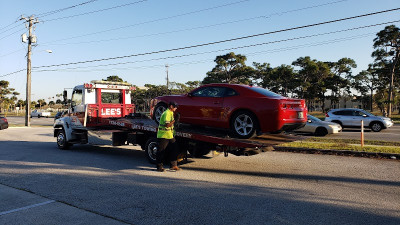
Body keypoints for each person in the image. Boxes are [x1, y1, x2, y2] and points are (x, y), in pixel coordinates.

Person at [156, 101, 180, 172]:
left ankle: (173, 165)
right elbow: (167, 125)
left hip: (169, 134)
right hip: (163, 135)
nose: (176, 108)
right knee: (161, 151)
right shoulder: (167, 113)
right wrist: (175, 120)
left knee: (174, 148)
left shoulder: (171, 113)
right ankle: (159, 167)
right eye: (175, 107)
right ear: (171, 106)